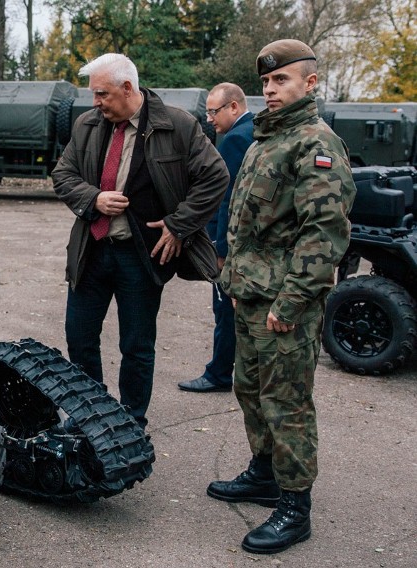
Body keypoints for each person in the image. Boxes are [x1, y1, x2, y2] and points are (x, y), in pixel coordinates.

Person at [209, 40, 356, 554]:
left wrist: (291, 303)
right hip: (250, 295)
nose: (270, 90)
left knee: (287, 401)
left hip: (283, 304)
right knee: (249, 389)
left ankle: (295, 506)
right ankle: (264, 473)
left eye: (282, 81)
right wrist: (232, 283)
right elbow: (245, 223)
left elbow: (324, 235)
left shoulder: (315, 143)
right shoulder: (262, 141)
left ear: (309, 84)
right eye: (267, 83)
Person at [52, 53, 229, 428]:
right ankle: (91, 416)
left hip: (141, 256)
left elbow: (214, 177)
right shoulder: (87, 124)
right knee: (80, 338)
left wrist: (179, 224)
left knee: (136, 346)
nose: (95, 102)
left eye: (102, 94)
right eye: (94, 95)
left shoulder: (177, 125)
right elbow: (63, 174)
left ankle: (131, 422)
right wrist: (92, 198)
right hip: (92, 250)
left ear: (128, 88)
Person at [178, 84, 254, 393]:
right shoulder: (255, 131)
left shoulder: (235, 139)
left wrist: (220, 250)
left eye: (213, 111)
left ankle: (219, 374)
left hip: (231, 246)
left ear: (233, 107)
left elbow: (227, 200)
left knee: (225, 308)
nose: (209, 119)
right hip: (252, 244)